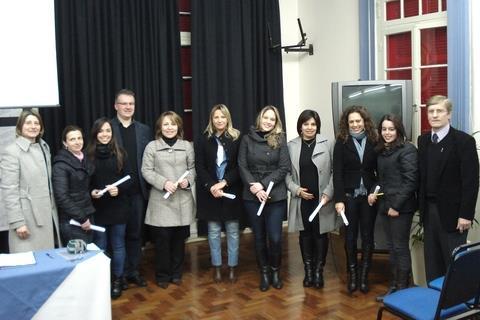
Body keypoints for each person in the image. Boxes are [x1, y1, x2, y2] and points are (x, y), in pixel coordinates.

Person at [418, 95, 479, 282]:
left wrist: (466, 214)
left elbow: (471, 181)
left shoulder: (464, 141)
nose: (434, 115)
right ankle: (435, 305)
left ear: (449, 114)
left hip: (454, 215)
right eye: (431, 111)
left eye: (440, 111)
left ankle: (456, 309)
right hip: (429, 212)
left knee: (454, 265)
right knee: (432, 263)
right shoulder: (423, 141)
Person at [238, 105, 291, 291]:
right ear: (259, 119)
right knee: (259, 237)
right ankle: (265, 272)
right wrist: (255, 187)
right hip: (252, 196)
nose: (268, 121)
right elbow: (242, 166)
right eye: (265, 118)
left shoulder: (280, 139)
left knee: (275, 238)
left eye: (272, 119)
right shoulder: (246, 139)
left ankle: (276, 270)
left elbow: (284, 167)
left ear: (276, 123)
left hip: (275, 195)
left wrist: (264, 184)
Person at [142, 111, 196, 289]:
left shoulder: (187, 146)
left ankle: (176, 273)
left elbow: (192, 169)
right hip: (161, 202)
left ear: (178, 126)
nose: (170, 127)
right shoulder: (152, 147)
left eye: (173, 124)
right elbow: (146, 171)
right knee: (163, 241)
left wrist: (187, 181)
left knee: (179, 240)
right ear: (160, 127)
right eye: (166, 124)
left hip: (182, 200)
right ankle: (163, 275)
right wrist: (163, 183)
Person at [286, 110, 339, 289]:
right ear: (300, 126)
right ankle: (308, 271)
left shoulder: (328, 143)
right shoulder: (291, 145)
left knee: (320, 234)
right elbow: (286, 174)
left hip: (322, 200)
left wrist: (328, 193)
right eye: (306, 124)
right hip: (302, 199)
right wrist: (296, 190)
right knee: (305, 234)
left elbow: (335, 171)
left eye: (313, 124)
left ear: (318, 126)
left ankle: (318, 271)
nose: (310, 128)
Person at [368, 114, 418, 301]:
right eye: (384, 129)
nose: (387, 133)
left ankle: (403, 290)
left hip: (401, 208)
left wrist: (396, 206)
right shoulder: (381, 151)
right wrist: (374, 192)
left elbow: (410, 181)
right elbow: (381, 180)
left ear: (398, 130)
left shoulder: (408, 149)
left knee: (400, 247)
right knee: (392, 247)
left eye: (391, 129)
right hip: (385, 205)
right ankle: (395, 287)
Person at [195, 104, 242, 283]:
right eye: (216, 117)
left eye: (223, 117)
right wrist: (212, 186)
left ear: (228, 118)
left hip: (231, 190)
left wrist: (224, 183)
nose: (220, 120)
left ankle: (231, 267)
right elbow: (199, 166)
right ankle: (216, 266)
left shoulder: (237, 138)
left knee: (232, 231)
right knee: (213, 231)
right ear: (211, 120)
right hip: (210, 193)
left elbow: (240, 166)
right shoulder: (203, 139)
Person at [1, 110, 60, 253]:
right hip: (27, 219)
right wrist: (18, 222)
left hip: (48, 216)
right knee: (28, 264)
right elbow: (9, 189)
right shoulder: (12, 151)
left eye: (36, 123)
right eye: (28, 123)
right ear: (20, 126)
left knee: (48, 262)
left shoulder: (44, 148)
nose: (33, 126)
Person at [333, 105, 378, 294]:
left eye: (358, 121)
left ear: (364, 121)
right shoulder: (341, 142)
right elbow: (338, 174)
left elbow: (380, 172)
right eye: (351, 121)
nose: (355, 124)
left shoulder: (375, 140)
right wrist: (339, 199)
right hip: (349, 198)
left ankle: (364, 276)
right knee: (350, 236)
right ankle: (353, 275)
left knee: (367, 237)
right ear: (346, 123)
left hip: (369, 198)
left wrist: (375, 191)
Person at [111, 89, 152, 288]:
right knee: (117, 237)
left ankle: (133, 271)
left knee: (136, 234)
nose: (128, 107)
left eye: (131, 104)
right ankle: (119, 274)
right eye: (124, 103)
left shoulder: (144, 130)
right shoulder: (108, 128)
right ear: (116, 106)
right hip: (115, 195)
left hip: (138, 193)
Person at [87, 118, 132, 299]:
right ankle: (102, 280)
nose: (105, 134)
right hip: (98, 209)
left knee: (119, 245)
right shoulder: (88, 155)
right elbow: (84, 183)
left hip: (119, 207)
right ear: (95, 134)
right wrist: (92, 192)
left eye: (108, 131)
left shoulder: (120, 153)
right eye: (101, 131)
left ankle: (118, 280)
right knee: (101, 246)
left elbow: (130, 179)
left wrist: (118, 189)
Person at [53, 125, 95, 244]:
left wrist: (93, 191)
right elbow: (62, 197)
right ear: (65, 143)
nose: (77, 142)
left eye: (79, 138)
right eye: (72, 139)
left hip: (86, 216)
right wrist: (82, 218)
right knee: (79, 259)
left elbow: (84, 188)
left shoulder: (85, 159)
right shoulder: (60, 165)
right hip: (72, 221)